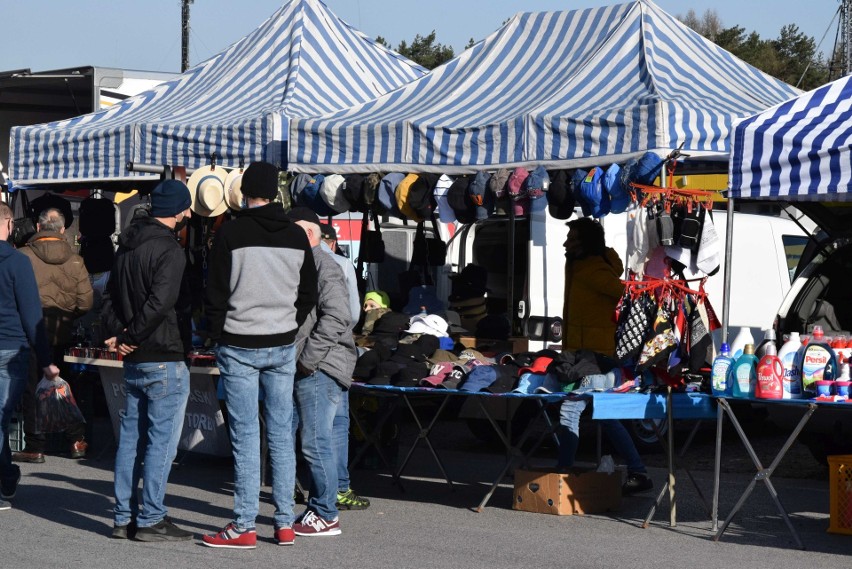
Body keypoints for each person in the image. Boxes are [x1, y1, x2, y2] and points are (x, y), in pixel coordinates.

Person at [202, 163, 318, 549]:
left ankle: (244, 524)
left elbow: (215, 292)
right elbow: (308, 294)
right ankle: (284, 523)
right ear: (276, 193)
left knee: (246, 434)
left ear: (244, 192)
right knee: (282, 432)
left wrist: (216, 333)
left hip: (238, 342)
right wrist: (289, 321)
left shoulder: (231, 232)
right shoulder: (296, 236)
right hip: (282, 342)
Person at [101, 180, 194, 541]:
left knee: (131, 439)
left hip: (137, 356)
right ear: (177, 210)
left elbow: (108, 296)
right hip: (160, 355)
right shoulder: (169, 249)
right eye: (186, 208)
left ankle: (124, 517)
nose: (188, 214)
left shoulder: (127, 245)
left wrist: (117, 335)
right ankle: (152, 517)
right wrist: (128, 337)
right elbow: (161, 302)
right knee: (159, 441)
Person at [556, 217, 653, 494]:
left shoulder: (592, 268)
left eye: (573, 239)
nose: (566, 243)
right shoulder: (579, 264)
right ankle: (638, 471)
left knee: (571, 409)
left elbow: (625, 294)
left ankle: (561, 476)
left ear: (586, 243)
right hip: (584, 355)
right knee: (605, 414)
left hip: (596, 358)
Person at [288, 207, 359, 535]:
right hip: (318, 363)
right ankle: (321, 510)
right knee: (318, 440)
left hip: (321, 365)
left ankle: (325, 513)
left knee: (316, 442)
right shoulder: (310, 263)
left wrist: (307, 360)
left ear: (308, 234)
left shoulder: (323, 264)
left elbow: (338, 317)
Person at [13, 207, 93, 464]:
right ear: (62, 230)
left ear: (37, 228)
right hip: (62, 331)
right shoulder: (75, 260)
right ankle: (76, 439)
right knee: (64, 387)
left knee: (32, 388)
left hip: (30, 333)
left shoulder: (23, 256)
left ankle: (36, 445)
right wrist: (68, 316)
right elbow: (86, 302)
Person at [0, 202, 61, 512]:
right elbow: (31, 314)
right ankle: (6, 476)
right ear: (9, 225)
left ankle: (7, 476)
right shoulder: (17, 262)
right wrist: (47, 359)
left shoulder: (19, 261)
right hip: (12, 348)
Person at [319, 222, 370, 510]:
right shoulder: (340, 263)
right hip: (334, 352)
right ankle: (337, 488)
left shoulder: (294, 259)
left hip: (299, 350)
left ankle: (288, 486)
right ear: (334, 242)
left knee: (293, 422)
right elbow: (351, 313)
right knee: (337, 423)